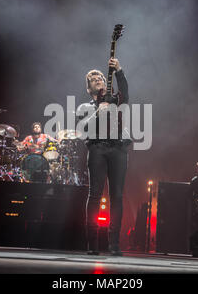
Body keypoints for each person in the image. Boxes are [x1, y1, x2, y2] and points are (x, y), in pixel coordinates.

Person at [77, 57, 131, 256]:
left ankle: (114, 244)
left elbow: (125, 93)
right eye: (93, 79)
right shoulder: (84, 107)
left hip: (118, 149)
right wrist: (97, 113)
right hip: (97, 149)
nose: (98, 79)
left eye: (100, 76)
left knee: (117, 196)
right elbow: (81, 129)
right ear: (89, 88)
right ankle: (93, 244)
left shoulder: (114, 99)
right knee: (95, 195)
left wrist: (119, 71)